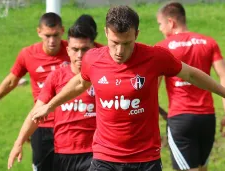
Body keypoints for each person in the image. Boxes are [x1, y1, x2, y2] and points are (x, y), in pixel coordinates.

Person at [30, 6, 225, 171]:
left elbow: (191, 74)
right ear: (106, 33)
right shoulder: (93, 58)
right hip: (105, 157)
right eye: (114, 43)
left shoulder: (155, 57)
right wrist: (49, 106)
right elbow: (81, 82)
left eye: (127, 43)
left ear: (136, 35)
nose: (119, 51)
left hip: (145, 159)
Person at [0, 12, 70, 171]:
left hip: (69, 123)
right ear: (39, 32)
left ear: (62, 31)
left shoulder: (74, 51)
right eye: (47, 35)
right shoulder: (28, 54)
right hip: (41, 124)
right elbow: (10, 81)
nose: (52, 41)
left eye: (56, 35)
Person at [8, 23, 102, 171]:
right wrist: (18, 142)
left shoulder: (102, 76)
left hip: (94, 153)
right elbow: (36, 112)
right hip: (63, 153)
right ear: (68, 50)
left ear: (93, 50)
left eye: (85, 49)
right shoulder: (56, 77)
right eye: (75, 49)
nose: (79, 55)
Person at [156, 2, 225, 171]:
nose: (160, 29)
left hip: (181, 119)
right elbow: (223, 76)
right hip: (207, 118)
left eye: (160, 24)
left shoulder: (162, 48)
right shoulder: (209, 42)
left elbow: (152, 89)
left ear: (171, 22)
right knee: (202, 168)